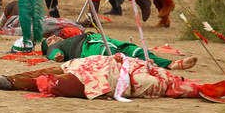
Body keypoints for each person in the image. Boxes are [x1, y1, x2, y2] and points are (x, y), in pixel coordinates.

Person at [0, 53, 225, 102]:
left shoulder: (158, 80)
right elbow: (54, 52)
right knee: (33, 76)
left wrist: (169, 67)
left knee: (48, 82)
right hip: (83, 64)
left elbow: (158, 82)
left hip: (102, 76)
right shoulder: (69, 41)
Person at [42, 32, 198, 69]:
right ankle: (141, 64)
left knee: (132, 49)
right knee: (111, 53)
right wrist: (55, 54)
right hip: (87, 47)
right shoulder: (53, 48)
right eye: (49, 39)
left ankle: (170, 64)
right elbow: (56, 56)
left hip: (98, 37)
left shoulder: (66, 37)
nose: (54, 37)